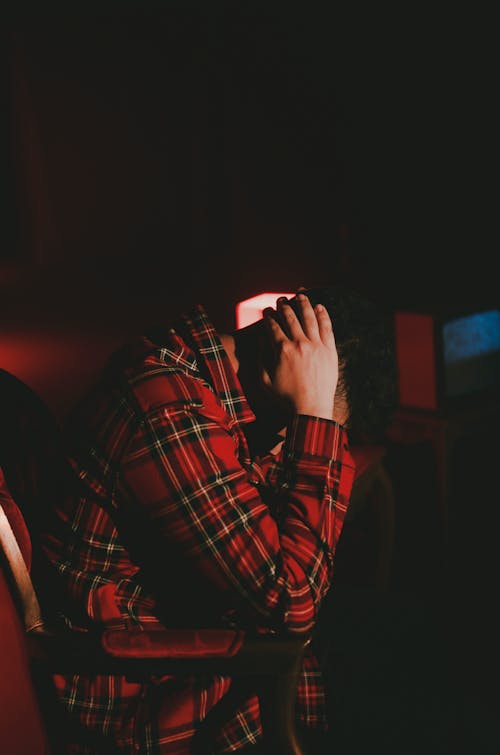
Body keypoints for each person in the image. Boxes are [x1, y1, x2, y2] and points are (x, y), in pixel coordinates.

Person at [39, 285, 398, 754]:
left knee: (402, 633)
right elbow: (292, 601)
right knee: (393, 675)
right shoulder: (169, 409)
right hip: (148, 694)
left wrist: (311, 422)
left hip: (197, 640)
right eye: (308, 424)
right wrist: (314, 413)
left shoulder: (212, 388)